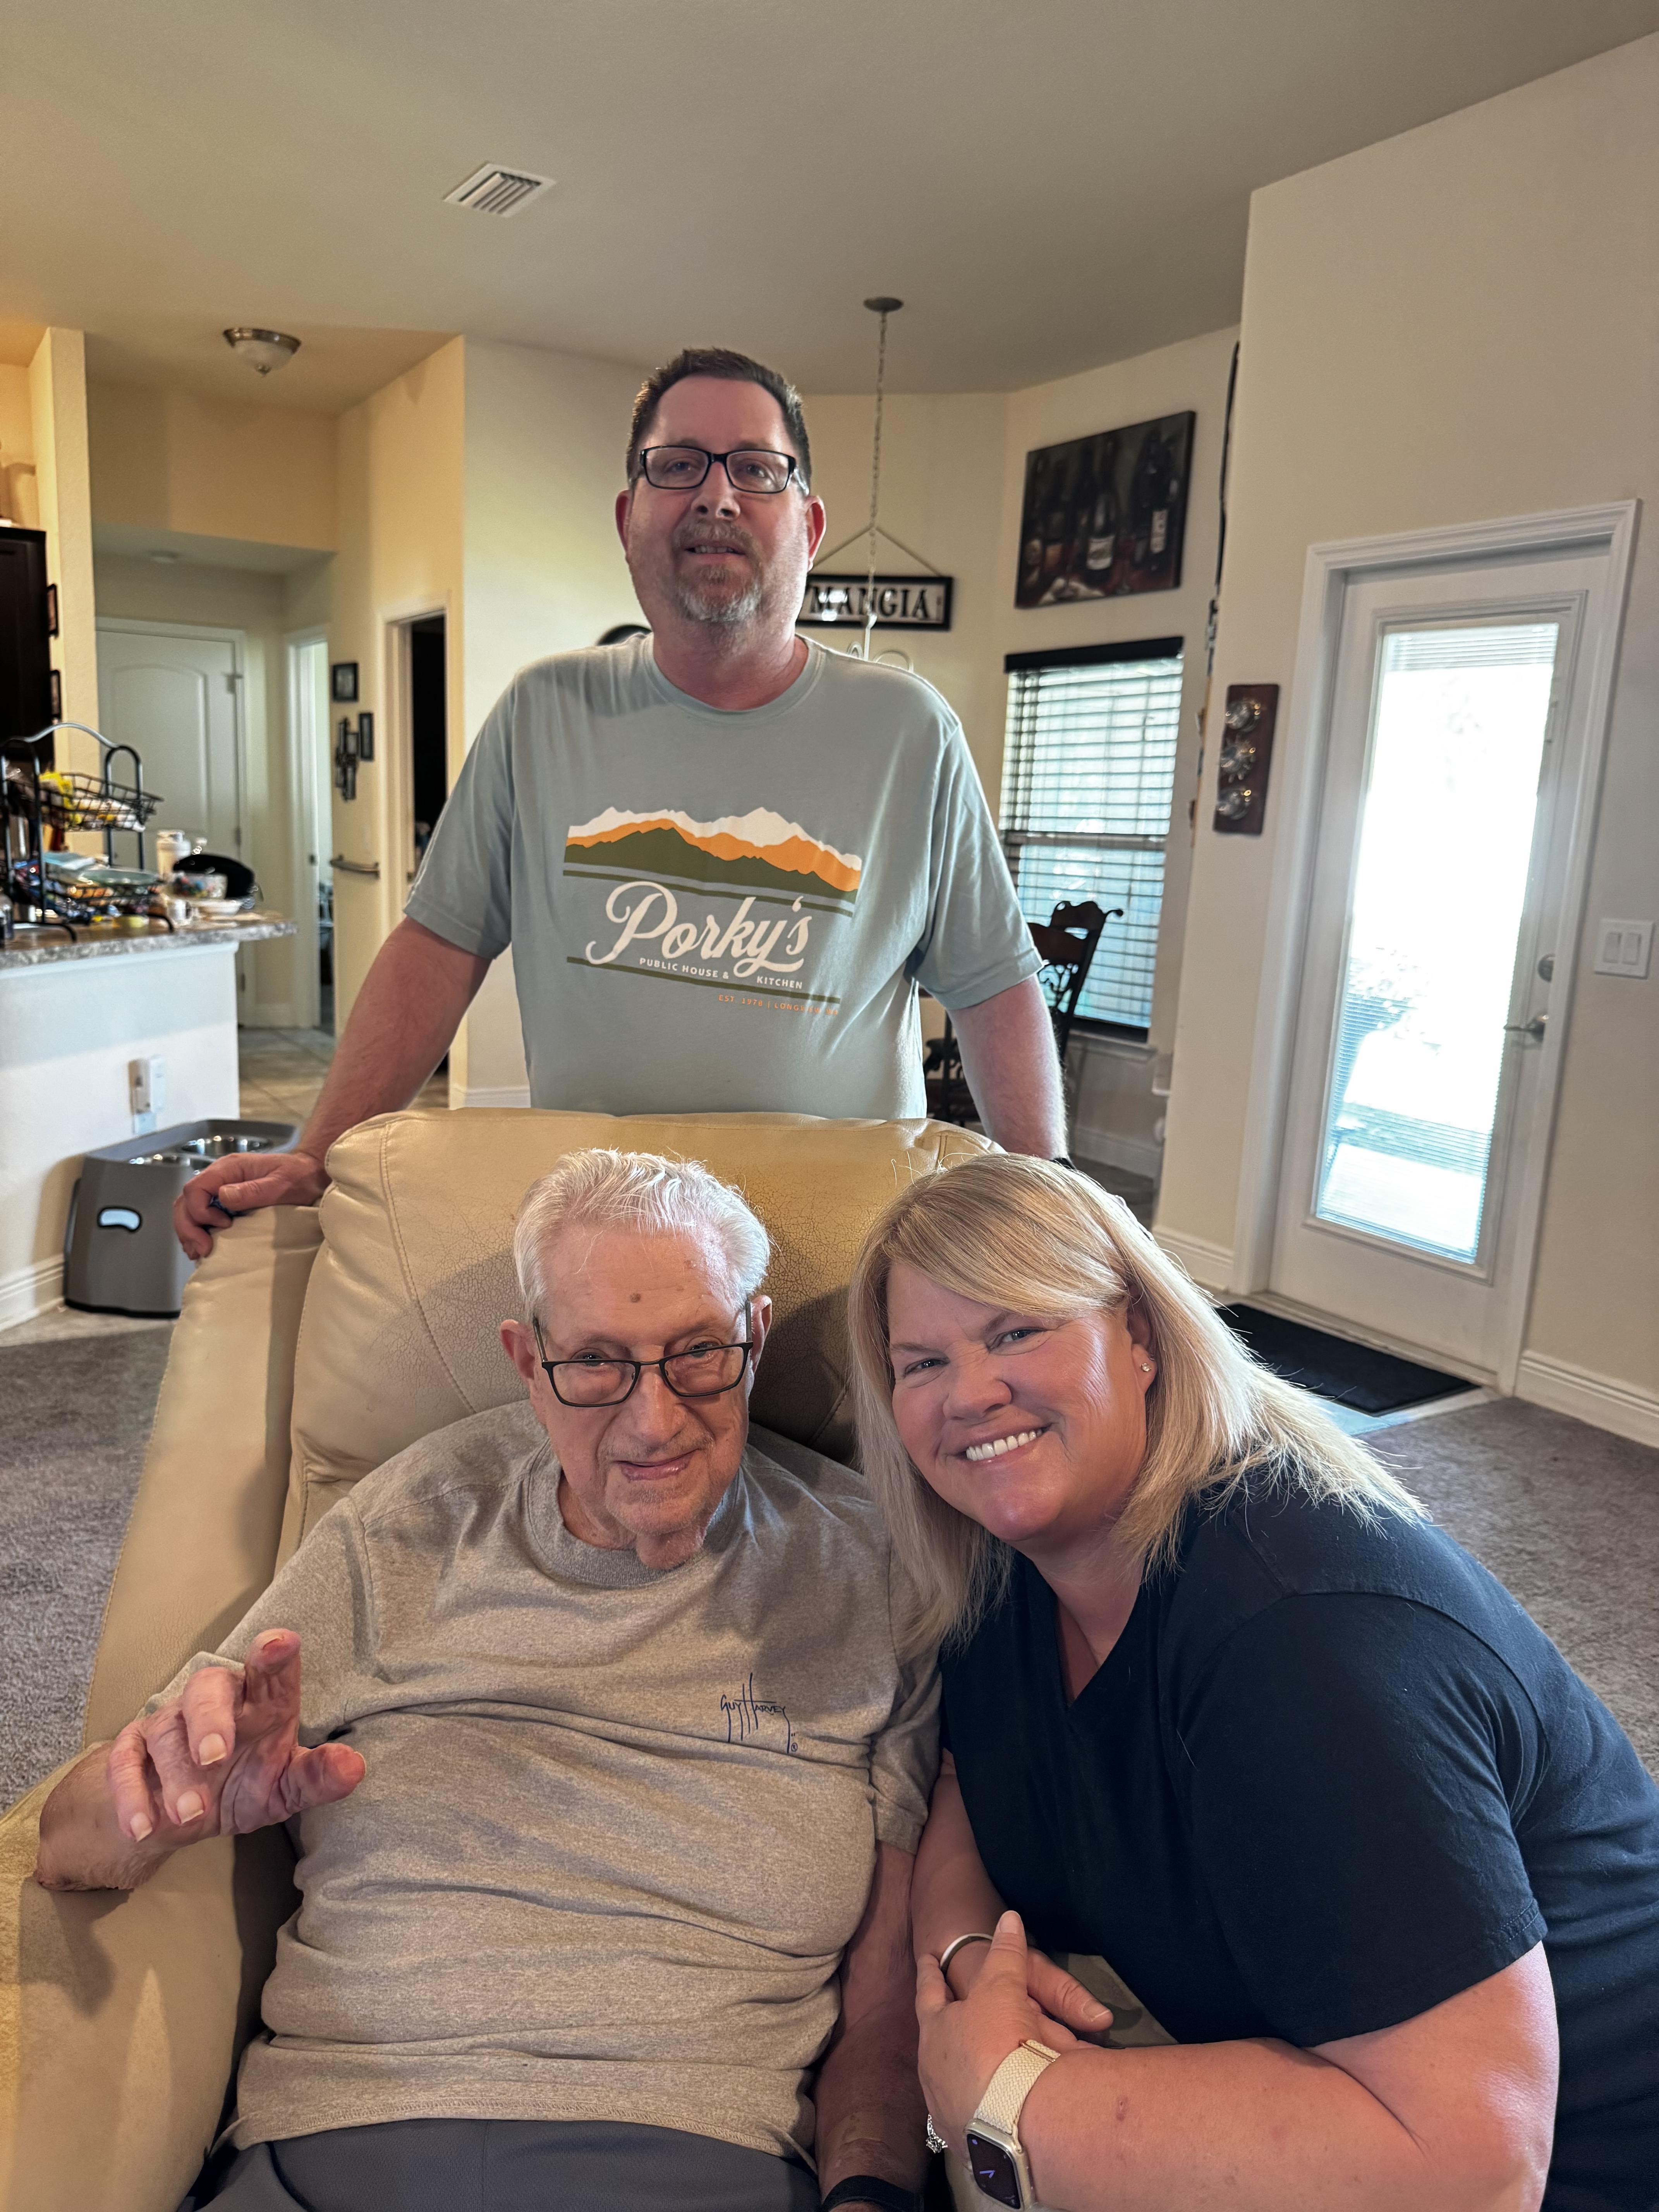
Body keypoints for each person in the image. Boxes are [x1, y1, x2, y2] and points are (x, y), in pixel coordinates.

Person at [43, 1152, 939, 2212]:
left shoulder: (876, 1569)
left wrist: (868, 2196)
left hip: (694, 2157)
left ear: (754, 1333)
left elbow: (887, 1996)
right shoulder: (409, 1524)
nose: (653, 1421)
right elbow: (72, 1843)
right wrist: (172, 1807)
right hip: (335, 2146)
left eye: (698, 1354)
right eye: (596, 1364)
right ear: (527, 1360)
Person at [844, 1153, 1659, 2212]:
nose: (970, 1394)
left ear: (1137, 1335)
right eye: (920, 1364)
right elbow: (966, 1771)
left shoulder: (1299, 1638)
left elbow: (1477, 2162)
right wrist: (963, 1952)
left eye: (1016, 1331)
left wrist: (1005, 2096)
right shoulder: (1005, 1557)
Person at [175, 348, 1063, 1259]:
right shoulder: (542, 712)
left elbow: (995, 983)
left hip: (847, 1245)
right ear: (627, 516)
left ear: (810, 521)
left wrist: (1055, 1208)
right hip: (606, 1251)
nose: (716, 497)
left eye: (758, 469)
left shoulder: (908, 730)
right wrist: (319, 1154)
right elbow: (436, 947)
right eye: (677, 466)